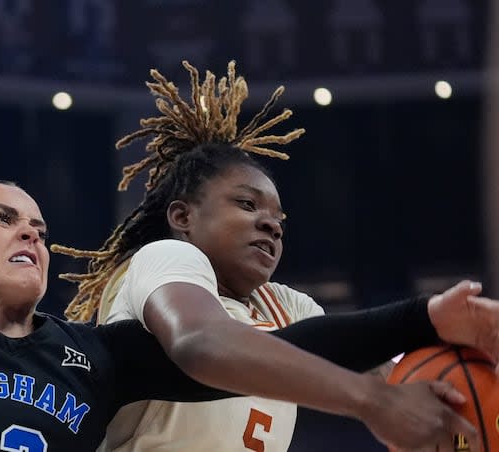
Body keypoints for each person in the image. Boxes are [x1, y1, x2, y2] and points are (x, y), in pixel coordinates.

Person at [0, 6, 497, 452]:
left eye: (43, 227)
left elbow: (284, 349)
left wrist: (425, 318)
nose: (33, 235)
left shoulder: (90, 357)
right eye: (5, 217)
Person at [54, 61, 499, 451]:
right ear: (182, 216)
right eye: (247, 205)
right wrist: (373, 400)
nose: (272, 224)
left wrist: (462, 369)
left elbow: (400, 372)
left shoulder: (288, 307)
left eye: (278, 218)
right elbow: (201, 343)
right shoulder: (165, 258)